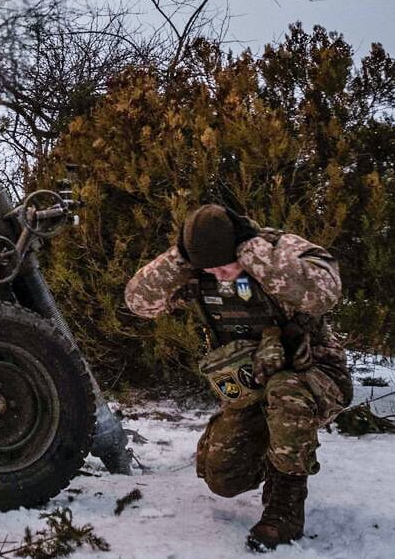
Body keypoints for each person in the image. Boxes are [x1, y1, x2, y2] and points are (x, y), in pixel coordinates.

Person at [124, 204, 352, 552]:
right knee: (223, 477)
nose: (221, 275)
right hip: (250, 387)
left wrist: (253, 253)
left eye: (225, 265)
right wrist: (181, 258)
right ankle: (278, 451)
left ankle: (285, 503)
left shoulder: (277, 248)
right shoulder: (201, 271)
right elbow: (139, 302)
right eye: (210, 268)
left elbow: (325, 293)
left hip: (316, 377)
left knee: (286, 390)